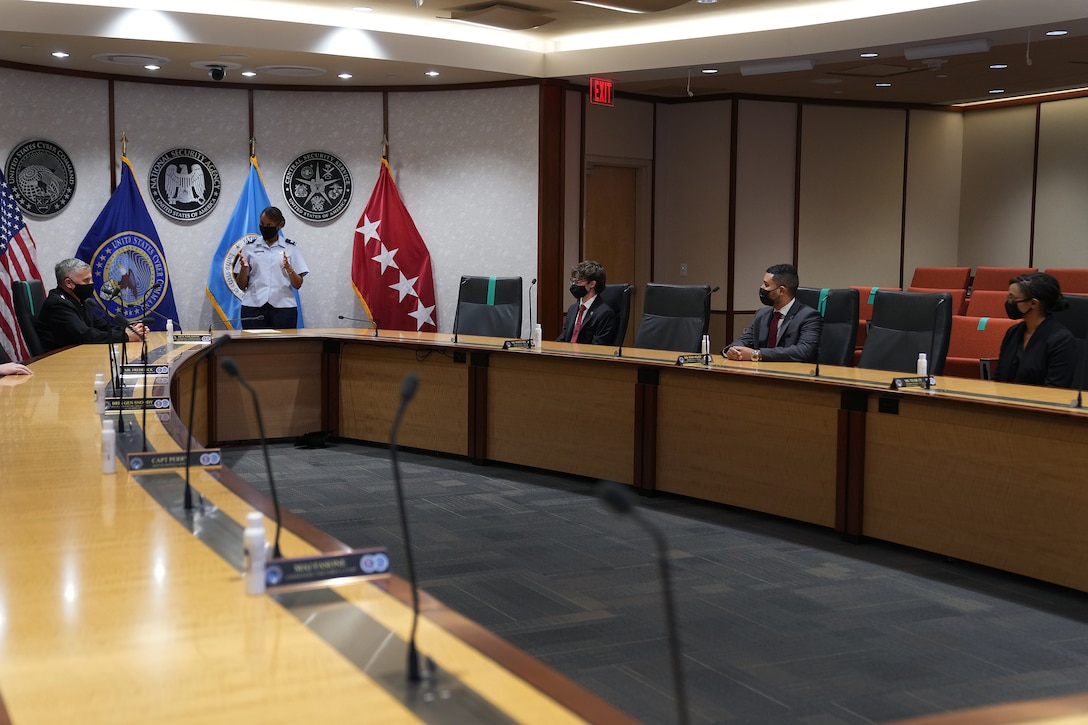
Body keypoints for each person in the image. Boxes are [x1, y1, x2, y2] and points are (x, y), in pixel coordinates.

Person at [35, 258, 147, 353]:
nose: (91, 284)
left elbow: (102, 326)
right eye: (86, 281)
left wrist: (132, 330)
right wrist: (125, 337)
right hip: (60, 360)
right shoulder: (58, 304)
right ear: (68, 283)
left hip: (79, 355)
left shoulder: (81, 300)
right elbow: (84, 335)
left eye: (91, 279)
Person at [994, 272, 1079, 388]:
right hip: (1005, 401)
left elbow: (1055, 390)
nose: (1009, 302)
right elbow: (999, 377)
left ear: (1033, 303)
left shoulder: (1061, 341)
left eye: (1012, 298)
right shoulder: (1012, 332)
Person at [724, 263, 822, 363]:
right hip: (758, 373)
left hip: (790, 374)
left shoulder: (809, 316)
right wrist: (732, 350)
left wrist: (757, 354)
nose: (762, 288)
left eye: (766, 285)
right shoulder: (761, 314)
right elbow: (745, 339)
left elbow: (804, 351)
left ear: (781, 291)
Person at [234, 206, 309, 329]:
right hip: (253, 307)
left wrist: (289, 268)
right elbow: (241, 285)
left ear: (280, 225)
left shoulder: (291, 248)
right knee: (253, 347)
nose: (265, 228)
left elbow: (298, 284)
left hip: (284, 308)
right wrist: (244, 268)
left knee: (283, 347)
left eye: (269, 225)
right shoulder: (250, 247)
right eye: (262, 224)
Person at [557, 260, 617, 345]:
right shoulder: (573, 309)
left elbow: (598, 346)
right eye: (573, 281)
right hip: (567, 355)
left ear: (592, 284)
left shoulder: (605, 314)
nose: (574, 285)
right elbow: (563, 338)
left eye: (578, 282)